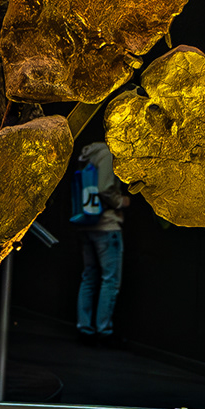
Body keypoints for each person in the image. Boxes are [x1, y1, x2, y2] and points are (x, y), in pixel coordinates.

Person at [71, 131, 128, 340]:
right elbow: (104, 188)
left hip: (86, 223)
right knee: (110, 280)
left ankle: (84, 328)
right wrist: (121, 202)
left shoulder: (88, 154)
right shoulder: (107, 154)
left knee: (89, 276)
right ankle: (104, 331)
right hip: (106, 225)